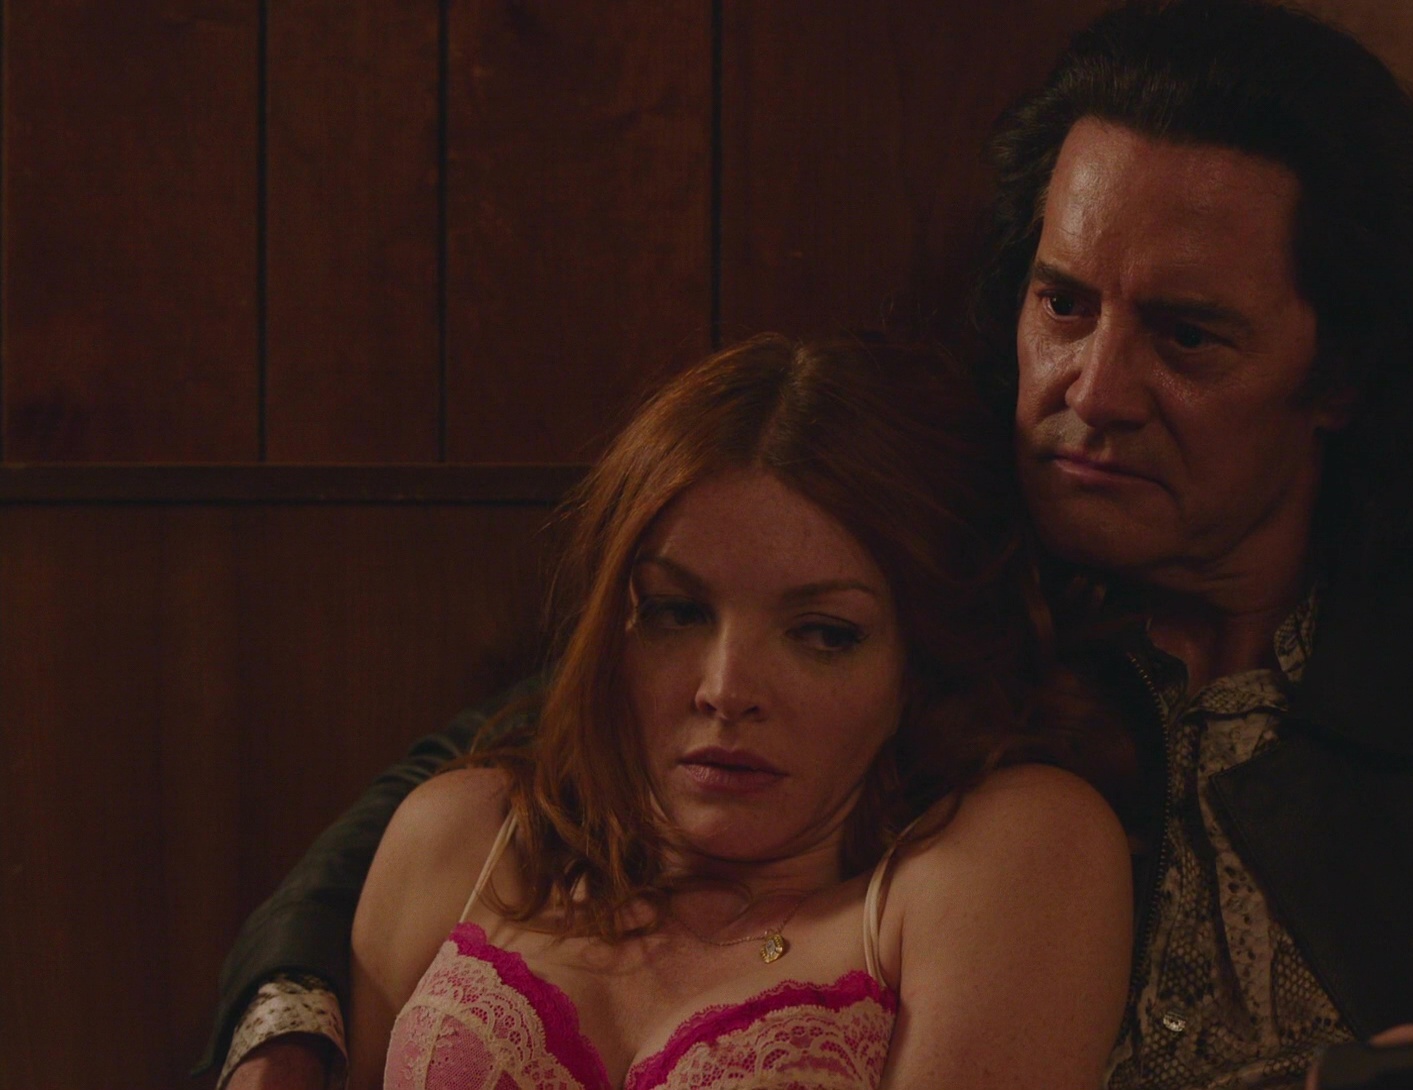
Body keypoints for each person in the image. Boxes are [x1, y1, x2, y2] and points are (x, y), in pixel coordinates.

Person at [205, 3, 1413, 1089]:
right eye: (1062, 304)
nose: (1091, 390)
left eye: (1187, 337)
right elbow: (513, 762)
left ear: (1341, 373)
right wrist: (287, 1023)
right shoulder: (926, 533)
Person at [340, 334, 1132, 1088]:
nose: (725, 689)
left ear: (919, 664)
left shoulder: (1005, 854)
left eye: (823, 634)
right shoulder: (460, 837)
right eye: (677, 613)